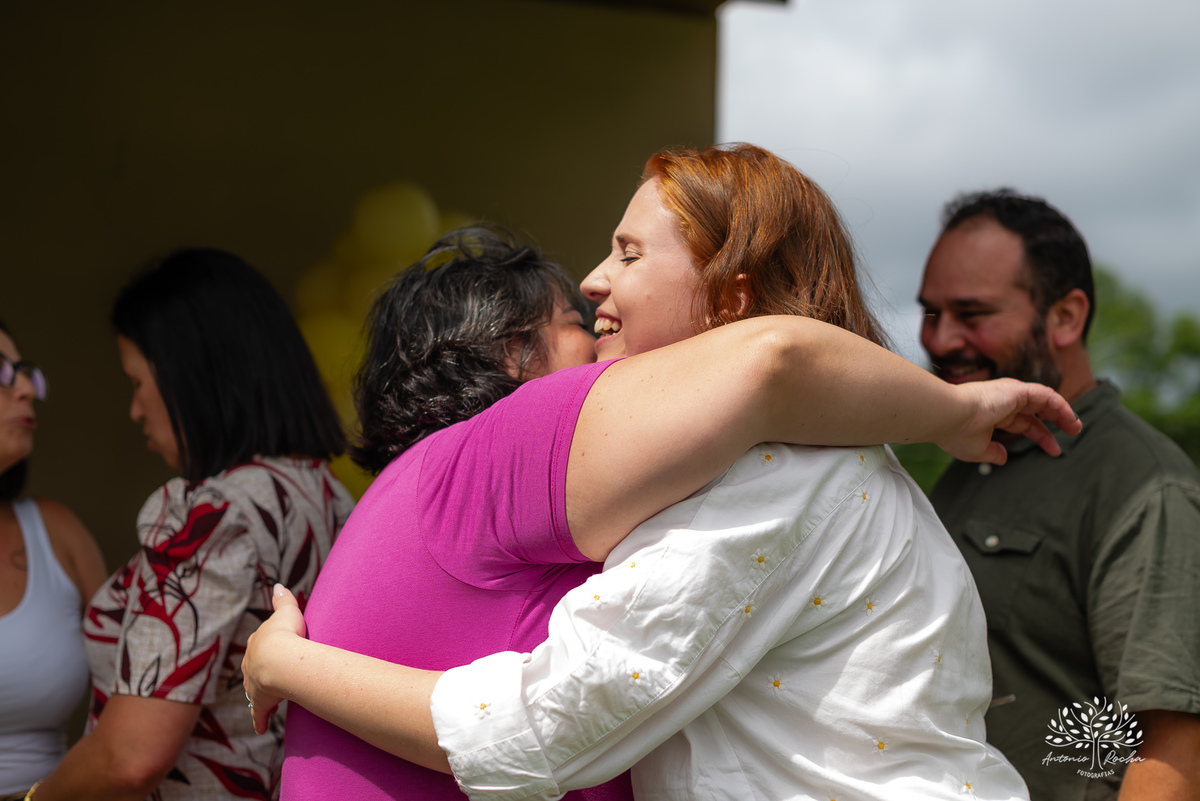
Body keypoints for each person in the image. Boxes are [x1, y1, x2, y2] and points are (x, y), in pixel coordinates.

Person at [246, 146, 1080, 801]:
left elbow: (541, 727)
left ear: (730, 299)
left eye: (630, 253)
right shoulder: (793, 455)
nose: (594, 281)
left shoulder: (775, 471)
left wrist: (288, 665)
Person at [28, 250, 354, 801]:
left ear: (192, 375)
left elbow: (131, 756)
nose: (135, 410)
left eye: (136, 382)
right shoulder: (327, 495)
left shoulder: (209, 516)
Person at [916, 189, 1200, 801]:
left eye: (972, 313)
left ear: (1066, 318)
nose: (939, 340)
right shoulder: (972, 459)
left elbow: (1174, 747)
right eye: (930, 313)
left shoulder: (1145, 486)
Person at [0, 320, 107, 801]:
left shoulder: (56, 531)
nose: (26, 389)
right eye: (1, 371)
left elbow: (136, 694)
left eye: (25, 371)